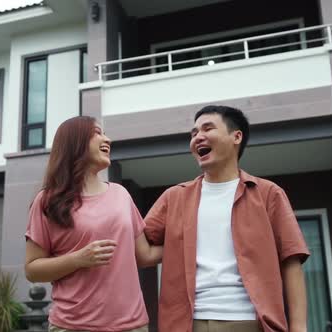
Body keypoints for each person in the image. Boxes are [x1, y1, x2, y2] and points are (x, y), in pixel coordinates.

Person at [144, 105, 310, 332]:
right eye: (193, 134)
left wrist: (299, 327)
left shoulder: (268, 194)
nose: (198, 137)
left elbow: (291, 260)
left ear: (236, 136)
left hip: (250, 322)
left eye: (207, 128)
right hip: (188, 324)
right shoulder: (174, 197)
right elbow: (142, 252)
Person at [25, 116, 162, 332]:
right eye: (97, 133)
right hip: (73, 326)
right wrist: (78, 259)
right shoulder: (48, 200)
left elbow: (144, 255)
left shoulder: (121, 194)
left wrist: (187, 241)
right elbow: (32, 270)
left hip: (132, 325)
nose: (107, 139)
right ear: (75, 142)